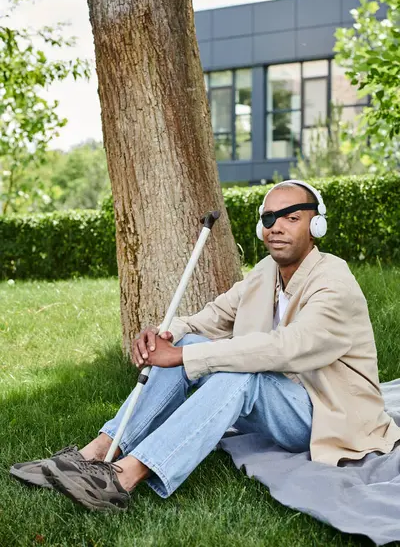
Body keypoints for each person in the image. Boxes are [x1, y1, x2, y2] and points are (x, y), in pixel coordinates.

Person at [10, 180, 400, 512]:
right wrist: (168, 334)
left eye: (292, 218)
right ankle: (95, 453)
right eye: (269, 219)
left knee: (239, 376)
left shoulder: (335, 280)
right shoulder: (265, 273)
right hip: (279, 402)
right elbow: (209, 319)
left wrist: (183, 355)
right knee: (194, 344)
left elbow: (286, 347)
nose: (277, 227)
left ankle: (124, 478)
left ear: (316, 225)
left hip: (325, 413)